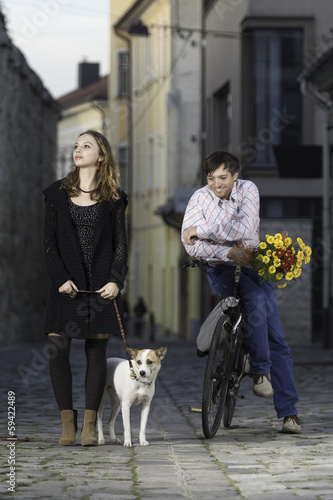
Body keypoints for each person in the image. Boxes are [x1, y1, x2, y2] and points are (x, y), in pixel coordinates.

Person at [181, 151, 301, 434]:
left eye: (223, 177)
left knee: (277, 337)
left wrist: (201, 229)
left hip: (253, 264)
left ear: (235, 175)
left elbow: (245, 229)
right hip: (219, 268)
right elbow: (191, 246)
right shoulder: (199, 197)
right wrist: (227, 250)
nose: (216, 184)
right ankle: (260, 371)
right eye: (211, 178)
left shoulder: (249, 189)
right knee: (256, 300)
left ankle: (289, 413)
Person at [43, 130, 128, 446]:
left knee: (96, 353)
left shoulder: (114, 198)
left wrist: (116, 281)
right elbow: (48, 243)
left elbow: (121, 244)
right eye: (76, 146)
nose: (78, 150)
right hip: (64, 287)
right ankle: (68, 423)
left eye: (86, 146)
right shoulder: (56, 195)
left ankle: (90, 425)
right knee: (57, 351)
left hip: (99, 288)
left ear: (101, 155)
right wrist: (59, 278)